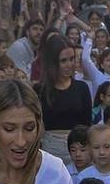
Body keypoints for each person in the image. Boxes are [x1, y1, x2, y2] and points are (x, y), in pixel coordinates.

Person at [37, 34, 93, 162]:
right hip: (50, 149)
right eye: (63, 61)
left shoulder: (81, 88)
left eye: (72, 59)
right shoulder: (40, 90)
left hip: (79, 151)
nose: (69, 65)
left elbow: (87, 124)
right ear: (53, 62)